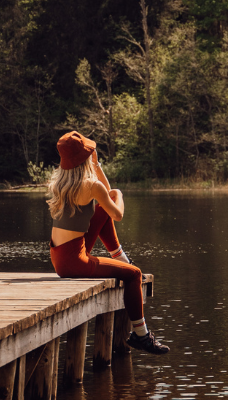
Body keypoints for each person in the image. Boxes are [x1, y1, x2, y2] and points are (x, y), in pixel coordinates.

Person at [46, 131, 168, 354]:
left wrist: (98, 171)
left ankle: (120, 257)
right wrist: (118, 193)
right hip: (75, 262)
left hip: (59, 256)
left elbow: (105, 201)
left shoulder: (60, 184)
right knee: (134, 274)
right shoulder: (91, 186)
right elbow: (118, 213)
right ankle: (141, 336)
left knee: (102, 208)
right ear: (84, 159)